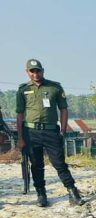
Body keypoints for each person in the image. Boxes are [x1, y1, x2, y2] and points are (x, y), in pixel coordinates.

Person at [16, 59, 84, 207]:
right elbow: (20, 114)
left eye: (38, 70)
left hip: (51, 131)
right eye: (32, 71)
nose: (35, 74)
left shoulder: (55, 88)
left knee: (59, 163)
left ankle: (73, 192)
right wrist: (21, 138)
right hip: (31, 132)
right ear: (27, 72)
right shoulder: (22, 90)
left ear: (43, 71)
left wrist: (63, 130)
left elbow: (63, 109)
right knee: (36, 165)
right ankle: (41, 194)